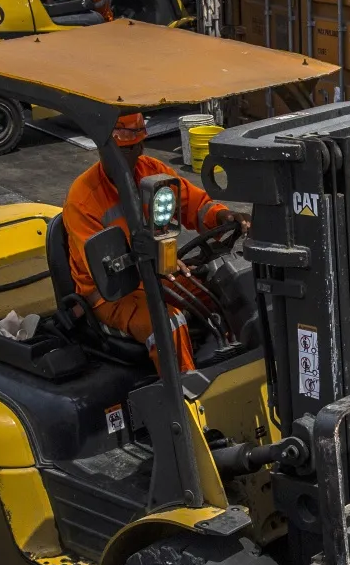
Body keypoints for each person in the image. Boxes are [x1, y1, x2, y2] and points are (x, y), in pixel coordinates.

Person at [64, 112, 236, 372]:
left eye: (137, 145)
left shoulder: (153, 172)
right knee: (169, 323)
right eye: (126, 148)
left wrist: (222, 215)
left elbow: (194, 206)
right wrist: (153, 259)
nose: (136, 153)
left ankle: (233, 369)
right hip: (113, 295)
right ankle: (185, 395)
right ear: (104, 148)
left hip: (158, 275)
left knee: (228, 289)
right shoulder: (82, 200)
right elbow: (103, 268)